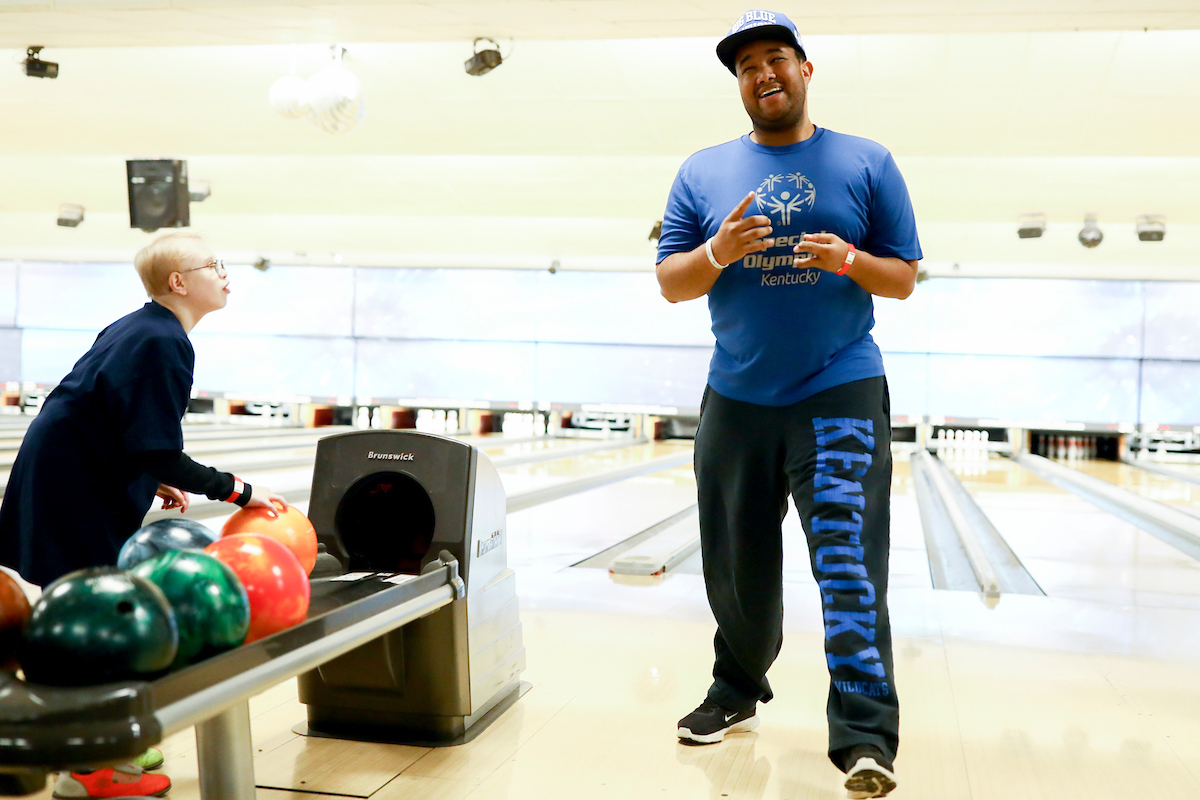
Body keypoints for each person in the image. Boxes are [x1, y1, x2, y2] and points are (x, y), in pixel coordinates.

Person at [655, 11, 922, 800]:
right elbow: (671, 281)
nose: (762, 74)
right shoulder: (701, 172)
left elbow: (903, 275)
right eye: (746, 67)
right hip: (736, 397)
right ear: (738, 86)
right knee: (737, 572)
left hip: (838, 388)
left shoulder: (867, 162)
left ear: (806, 69)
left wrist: (850, 260)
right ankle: (735, 693)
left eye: (776, 59)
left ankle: (866, 738)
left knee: (847, 566)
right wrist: (717, 253)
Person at [0, 232, 287, 799]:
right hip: (72, 486)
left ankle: (97, 738)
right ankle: (89, 769)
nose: (227, 274)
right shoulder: (163, 341)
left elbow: (106, 415)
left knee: (81, 611)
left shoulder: (142, 326)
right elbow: (155, 445)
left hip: (65, 473)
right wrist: (239, 491)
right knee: (90, 621)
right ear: (179, 282)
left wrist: (147, 476)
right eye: (214, 265)